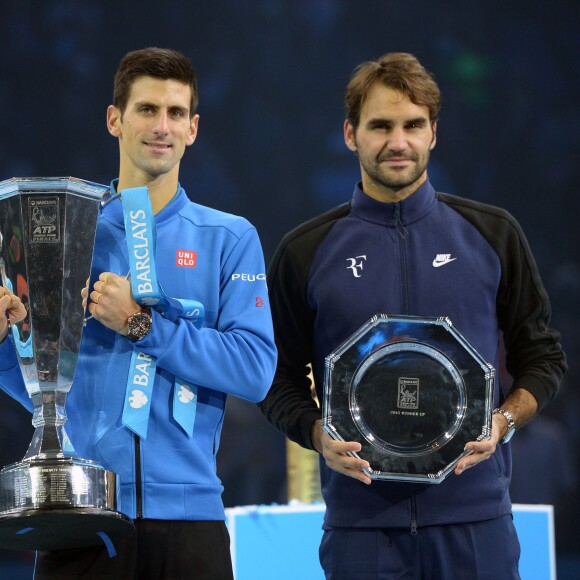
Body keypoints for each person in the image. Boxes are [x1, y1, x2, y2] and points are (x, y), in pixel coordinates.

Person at [258, 52, 566, 580]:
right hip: (361, 530)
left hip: (476, 524)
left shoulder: (493, 235)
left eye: (412, 125)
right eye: (380, 125)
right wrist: (315, 434)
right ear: (351, 134)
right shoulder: (305, 251)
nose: (397, 142)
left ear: (433, 133)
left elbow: (544, 358)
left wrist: (504, 421)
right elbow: (273, 377)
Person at [0, 47, 276, 579]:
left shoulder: (229, 237)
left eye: (176, 113)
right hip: (82, 514)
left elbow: (255, 371)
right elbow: (39, 385)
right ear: (114, 120)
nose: (162, 126)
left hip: (192, 520)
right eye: (147, 109)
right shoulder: (66, 233)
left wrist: (140, 324)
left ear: (193, 129)